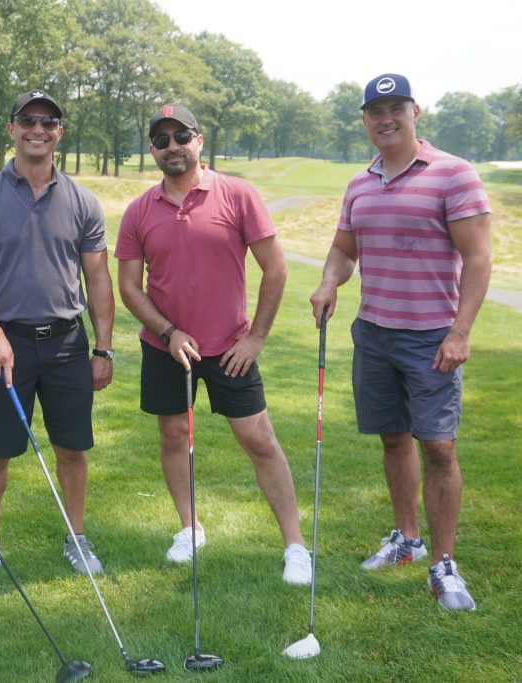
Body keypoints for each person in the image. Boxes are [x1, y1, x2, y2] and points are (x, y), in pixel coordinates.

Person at [309, 74, 492, 610]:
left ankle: (444, 564)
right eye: (375, 111)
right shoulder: (360, 183)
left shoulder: (453, 174)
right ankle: (407, 540)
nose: (386, 119)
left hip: (432, 336)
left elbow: (478, 258)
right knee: (393, 439)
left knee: (438, 446)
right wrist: (329, 282)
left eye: (396, 108)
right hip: (374, 333)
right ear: (365, 119)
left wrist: (460, 332)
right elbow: (344, 250)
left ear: (416, 111)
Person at [116, 103, 312, 585]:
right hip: (165, 348)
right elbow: (129, 287)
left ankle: (295, 546)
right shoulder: (139, 210)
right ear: (152, 150)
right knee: (173, 437)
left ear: (199, 141)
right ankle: (190, 528)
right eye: (161, 140)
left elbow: (276, 269)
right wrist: (168, 332)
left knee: (259, 440)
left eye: (181, 136)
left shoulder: (238, 195)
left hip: (229, 348)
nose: (172, 147)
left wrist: (256, 337)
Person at [0, 90, 115, 586]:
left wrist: (102, 348)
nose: (37, 129)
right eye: (27, 120)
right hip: (6, 345)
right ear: (12, 128)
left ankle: (76, 538)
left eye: (48, 121)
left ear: (59, 132)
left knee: (72, 449)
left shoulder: (83, 202)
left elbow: (98, 280)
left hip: (66, 343)